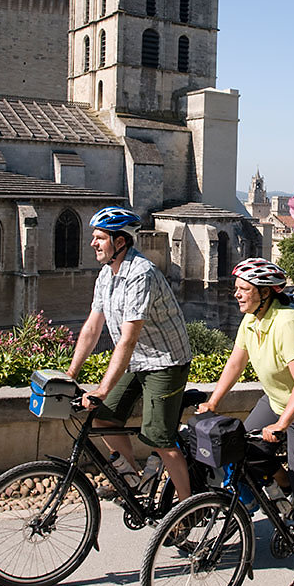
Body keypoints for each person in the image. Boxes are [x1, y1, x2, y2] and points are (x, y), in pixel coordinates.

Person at [197, 257, 294, 586]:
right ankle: (281, 481)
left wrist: (281, 425)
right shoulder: (250, 321)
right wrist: (213, 401)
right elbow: (236, 361)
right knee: (239, 450)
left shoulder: (287, 323)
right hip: (277, 403)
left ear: (265, 293)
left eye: (244, 290)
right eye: (237, 289)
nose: (237, 295)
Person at [66, 206, 192, 501]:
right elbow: (91, 328)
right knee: (104, 419)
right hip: (138, 362)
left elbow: (127, 339)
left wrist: (102, 388)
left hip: (165, 362)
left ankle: (189, 507)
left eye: (99, 238)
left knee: (160, 440)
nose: (93, 243)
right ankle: (134, 481)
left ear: (119, 242)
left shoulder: (141, 274)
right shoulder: (107, 274)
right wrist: (70, 375)